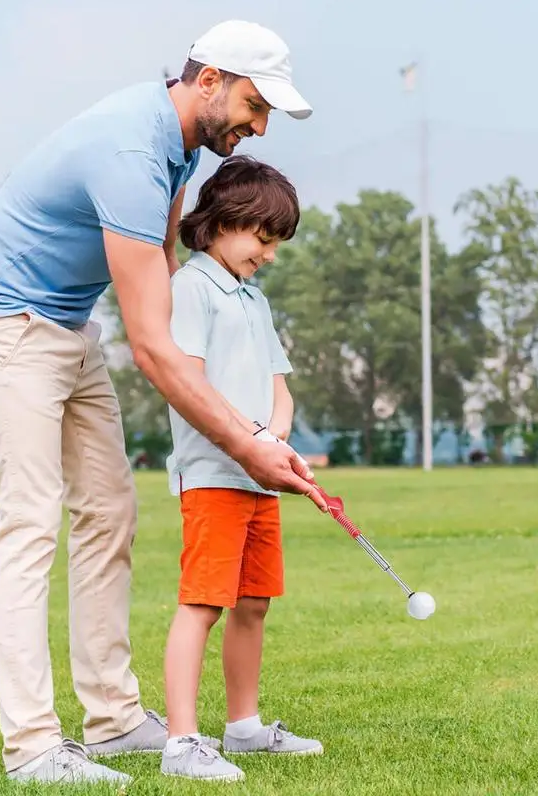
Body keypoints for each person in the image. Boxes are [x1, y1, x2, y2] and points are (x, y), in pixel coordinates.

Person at [0, 18, 326, 787]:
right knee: (29, 519)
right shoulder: (128, 148)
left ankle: (115, 720)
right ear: (209, 80)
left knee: (110, 509)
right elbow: (152, 346)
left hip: (67, 324)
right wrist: (248, 444)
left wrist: (195, 361)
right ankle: (32, 747)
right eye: (256, 105)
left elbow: (156, 268)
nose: (259, 127)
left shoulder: (180, 144)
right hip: (4, 321)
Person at [160, 156, 324, 783]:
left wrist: (275, 431)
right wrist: (249, 436)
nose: (271, 254)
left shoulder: (253, 299)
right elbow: (190, 382)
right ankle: (181, 742)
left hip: (260, 478)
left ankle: (243, 727)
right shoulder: (191, 290)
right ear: (225, 222)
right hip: (211, 477)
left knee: (253, 602)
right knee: (204, 603)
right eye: (265, 238)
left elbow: (280, 383)